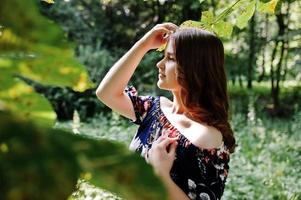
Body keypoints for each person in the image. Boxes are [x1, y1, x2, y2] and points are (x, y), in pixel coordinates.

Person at [96, 22, 236, 200]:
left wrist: (160, 174)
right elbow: (106, 93)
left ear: (194, 67)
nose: (159, 64)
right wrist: (143, 44)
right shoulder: (153, 109)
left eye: (170, 58)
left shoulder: (206, 138)